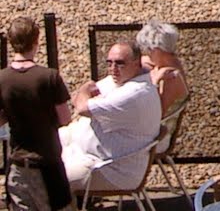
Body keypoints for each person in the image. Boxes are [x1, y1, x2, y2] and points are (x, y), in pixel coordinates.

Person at [59, 39, 160, 193]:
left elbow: (81, 107)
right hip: (81, 152)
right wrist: (84, 95)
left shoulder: (135, 93)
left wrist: (86, 90)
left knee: (48, 180)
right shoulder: (122, 79)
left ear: (136, 63)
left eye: (120, 63)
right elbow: (76, 98)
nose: (113, 69)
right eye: (109, 63)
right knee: (35, 154)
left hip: (110, 169)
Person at [0, 16, 73, 211]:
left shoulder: (2, 79)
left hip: (17, 166)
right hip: (47, 165)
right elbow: (65, 119)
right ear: (36, 41)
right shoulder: (49, 77)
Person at [134, 22, 188, 117]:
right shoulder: (169, 63)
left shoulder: (171, 76)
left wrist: (155, 82)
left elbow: (155, 116)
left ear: (159, 49)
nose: (147, 52)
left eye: (149, 49)